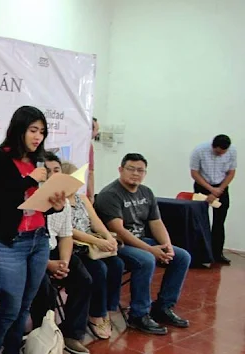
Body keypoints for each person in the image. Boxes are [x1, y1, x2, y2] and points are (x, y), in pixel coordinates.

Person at [0, 106, 65, 354]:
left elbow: (38, 203)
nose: (38, 137)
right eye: (33, 130)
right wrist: (29, 180)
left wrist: (56, 205)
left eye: (42, 132)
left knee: (25, 305)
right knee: (10, 306)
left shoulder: (39, 161)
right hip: (9, 243)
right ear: (19, 129)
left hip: (38, 239)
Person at [96, 153, 191, 335]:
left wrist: (167, 246)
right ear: (120, 170)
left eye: (140, 170)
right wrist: (150, 250)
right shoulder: (110, 194)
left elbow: (156, 222)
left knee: (182, 257)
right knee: (146, 259)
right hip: (118, 244)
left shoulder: (146, 192)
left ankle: (163, 307)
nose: (135, 173)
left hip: (141, 240)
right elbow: (118, 230)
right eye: (131, 169)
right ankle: (138, 314)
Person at [29, 154, 93, 354]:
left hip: (55, 250)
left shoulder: (62, 201)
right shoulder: (30, 200)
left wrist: (64, 262)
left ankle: (71, 334)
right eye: (47, 171)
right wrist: (48, 264)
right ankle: (44, 339)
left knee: (83, 280)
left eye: (56, 170)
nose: (52, 175)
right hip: (31, 254)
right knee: (45, 289)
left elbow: (66, 235)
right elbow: (26, 244)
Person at [62, 161, 124, 340]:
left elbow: (96, 222)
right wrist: (97, 241)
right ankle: (96, 314)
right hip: (77, 246)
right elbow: (68, 230)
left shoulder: (82, 198)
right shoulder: (59, 201)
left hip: (94, 244)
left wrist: (109, 238)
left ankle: (107, 309)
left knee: (117, 264)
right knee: (99, 269)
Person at [190, 134, 237, 265]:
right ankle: (199, 254)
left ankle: (217, 254)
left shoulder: (232, 151)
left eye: (223, 152)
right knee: (199, 221)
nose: (221, 154)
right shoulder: (199, 150)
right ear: (213, 146)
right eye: (218, 152)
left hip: (221, 187)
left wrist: (219, 190)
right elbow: (194, 173)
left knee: (219, 222)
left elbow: (231, 172)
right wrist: (210, 189)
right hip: (203, 185)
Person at [87, 117, 99, 202]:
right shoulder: (88, 146)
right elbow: (90, 172)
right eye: (96, 130)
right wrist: (91, 196)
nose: (97, 133)